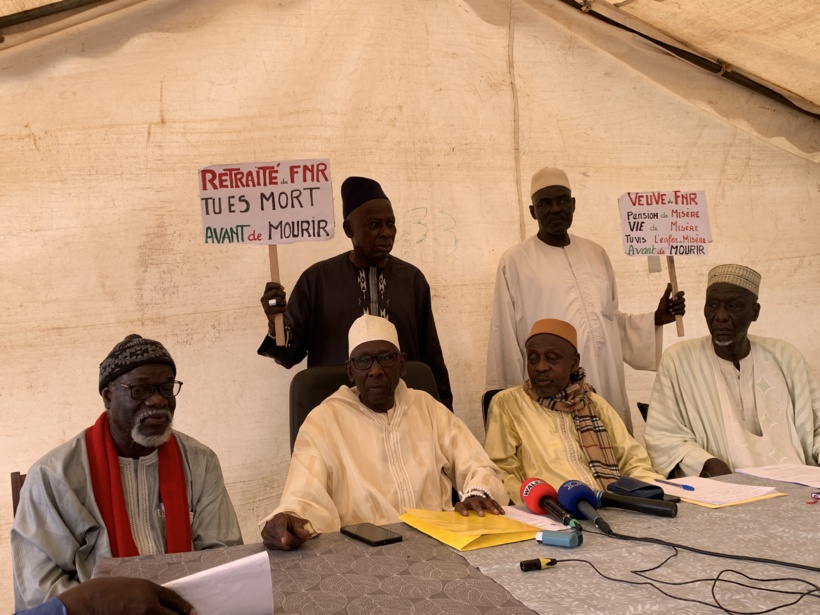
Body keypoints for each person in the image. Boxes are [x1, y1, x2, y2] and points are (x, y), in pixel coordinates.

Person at [11, 334, 243, 610]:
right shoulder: (53, 476)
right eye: (140, 390)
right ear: (108, 396)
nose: (158, 400)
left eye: (166, 388)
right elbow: (40, 591)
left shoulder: (200, 462)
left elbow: (224, 556)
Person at [260, 314, 506, 550]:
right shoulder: (324, 421)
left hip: (439, 544)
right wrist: (290, 518)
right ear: (350, 371)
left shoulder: (427, 408)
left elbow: (477, 464)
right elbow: (304, 494)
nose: (375, 370)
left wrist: (478, 492)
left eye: (385, 358)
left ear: (401, 364)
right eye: (363, 361)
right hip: (363, 553)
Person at [486, 167, 686, 432]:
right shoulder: (514, 262)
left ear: (574, 204)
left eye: (562, 200)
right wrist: (513, 407)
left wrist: (654, 320)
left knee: (614, 454)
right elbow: (504, 337)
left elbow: (610, 321)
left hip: (605, 383)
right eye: (545, 203)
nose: (556, 208)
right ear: (533, 211)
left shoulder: (596, 253)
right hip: (552, 392)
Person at [258, 175, 453, 408]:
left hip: (404, 414)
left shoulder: (412, 280)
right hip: (338, 417)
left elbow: (432, 359)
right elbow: (287, 356)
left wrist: (445, 413)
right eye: (374, 224)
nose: (386, 232)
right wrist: (275, 322)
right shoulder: (317, 281)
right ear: (349, 229)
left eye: (390, 224)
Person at [645, 265, 820, 477]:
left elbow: (816, 428)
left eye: (733, 306)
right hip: (721, 489)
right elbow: (663, 436)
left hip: (797, 482)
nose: (720, 316)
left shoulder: (785, 356)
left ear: (754, 312)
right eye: (712, 305)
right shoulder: (678, 360)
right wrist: (707, 463)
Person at [484, 318, 661, 503]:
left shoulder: (594, 404)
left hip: (611, 505)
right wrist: (539, 505)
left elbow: (633, 459)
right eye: (533, 359)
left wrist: (652, 494)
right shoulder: (508, 404)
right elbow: (501, 470)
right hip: (550, 514)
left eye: (552, 359)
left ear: (574, 362)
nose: (540, 367)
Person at [15, 578, 194, 615]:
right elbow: (39, 590)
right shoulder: (51, 481)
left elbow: (217, 556)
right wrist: (84, 603)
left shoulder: (198, 478)